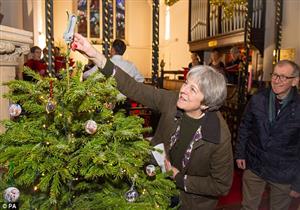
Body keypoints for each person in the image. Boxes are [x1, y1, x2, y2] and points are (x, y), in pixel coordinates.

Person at [72, 33, 234, 210]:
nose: (183, 90)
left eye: (192, 89)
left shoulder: (218, 136)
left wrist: (179, 178)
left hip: (192, 203)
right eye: (186, 83)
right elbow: (133, 88)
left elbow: (221, 185)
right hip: (157, 186)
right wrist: (95, 55)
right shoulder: (172, 102)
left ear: (206, 104)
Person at [235, 60, 300, 210]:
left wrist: (298, 183)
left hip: (283, 172)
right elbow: (245, 126)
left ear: (295, 81)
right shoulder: (258, 98)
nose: (277, 81)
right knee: (247, 207)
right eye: (275, 75)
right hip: (255, 164)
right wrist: (240, 154)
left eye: (283, 77)